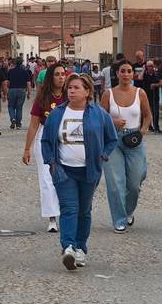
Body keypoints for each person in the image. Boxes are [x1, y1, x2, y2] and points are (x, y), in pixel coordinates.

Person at [40, 74, 118, 270]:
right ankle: (68, 247)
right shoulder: (58, 113)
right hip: (64, 170)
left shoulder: (98, 114)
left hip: (89, 171)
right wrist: (51, 163)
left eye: (76, 88)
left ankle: (81, 248)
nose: (71, 91)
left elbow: (112, 138)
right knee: (69, 208)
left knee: (84, 210)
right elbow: (46, 141)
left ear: (87, 92)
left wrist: (103, 156)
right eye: (69, 88)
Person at [101, 60, 153, 232]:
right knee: (115, 182)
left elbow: (147, 116)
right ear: (117, 74)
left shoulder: (140, 93)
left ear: (133, 74)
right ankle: (119, 219)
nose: (125, 74)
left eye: (129, 71)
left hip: (134, 139)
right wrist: (112, 121)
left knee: (135, 182)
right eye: (122, 71)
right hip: (112, 140)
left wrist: (142, 131)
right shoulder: (108, 94)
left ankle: (129, 210)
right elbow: (100, 118)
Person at [23, 63, 67, 233]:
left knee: (65, 177)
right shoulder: (42, 98)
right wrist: (27, 148)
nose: (61, 77)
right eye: (57, 74)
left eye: (63, 74)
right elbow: (34, 125)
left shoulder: (70, 95)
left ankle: (67, 213)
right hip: (45, 137)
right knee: (47, 179)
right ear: (50, 77)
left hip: (66, 139)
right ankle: (52, 218)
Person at [5, 58, 32, 130]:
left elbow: (7, 82)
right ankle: (18, 124)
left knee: (11, 106)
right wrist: (29, 93)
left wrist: (7, 90)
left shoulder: (10, 71)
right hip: (22, 90)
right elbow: (28, 84)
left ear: (14, 63)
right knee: (19, 107)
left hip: (12, 89)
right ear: (22, 63)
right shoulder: (25, 71)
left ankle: (13, 118)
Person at [139, 60, 162, 133]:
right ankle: (146, 126)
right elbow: (140, 78)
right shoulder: (145, 74)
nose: (151, 67)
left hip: (154, 95)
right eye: (149, 66)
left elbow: (160, 83)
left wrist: (155, 85)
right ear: (146, 67)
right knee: (145, 112)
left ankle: (156, 127)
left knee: (155, 111)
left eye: (152, 66)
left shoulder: (156, 73)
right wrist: (143, 69)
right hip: (146, 95)